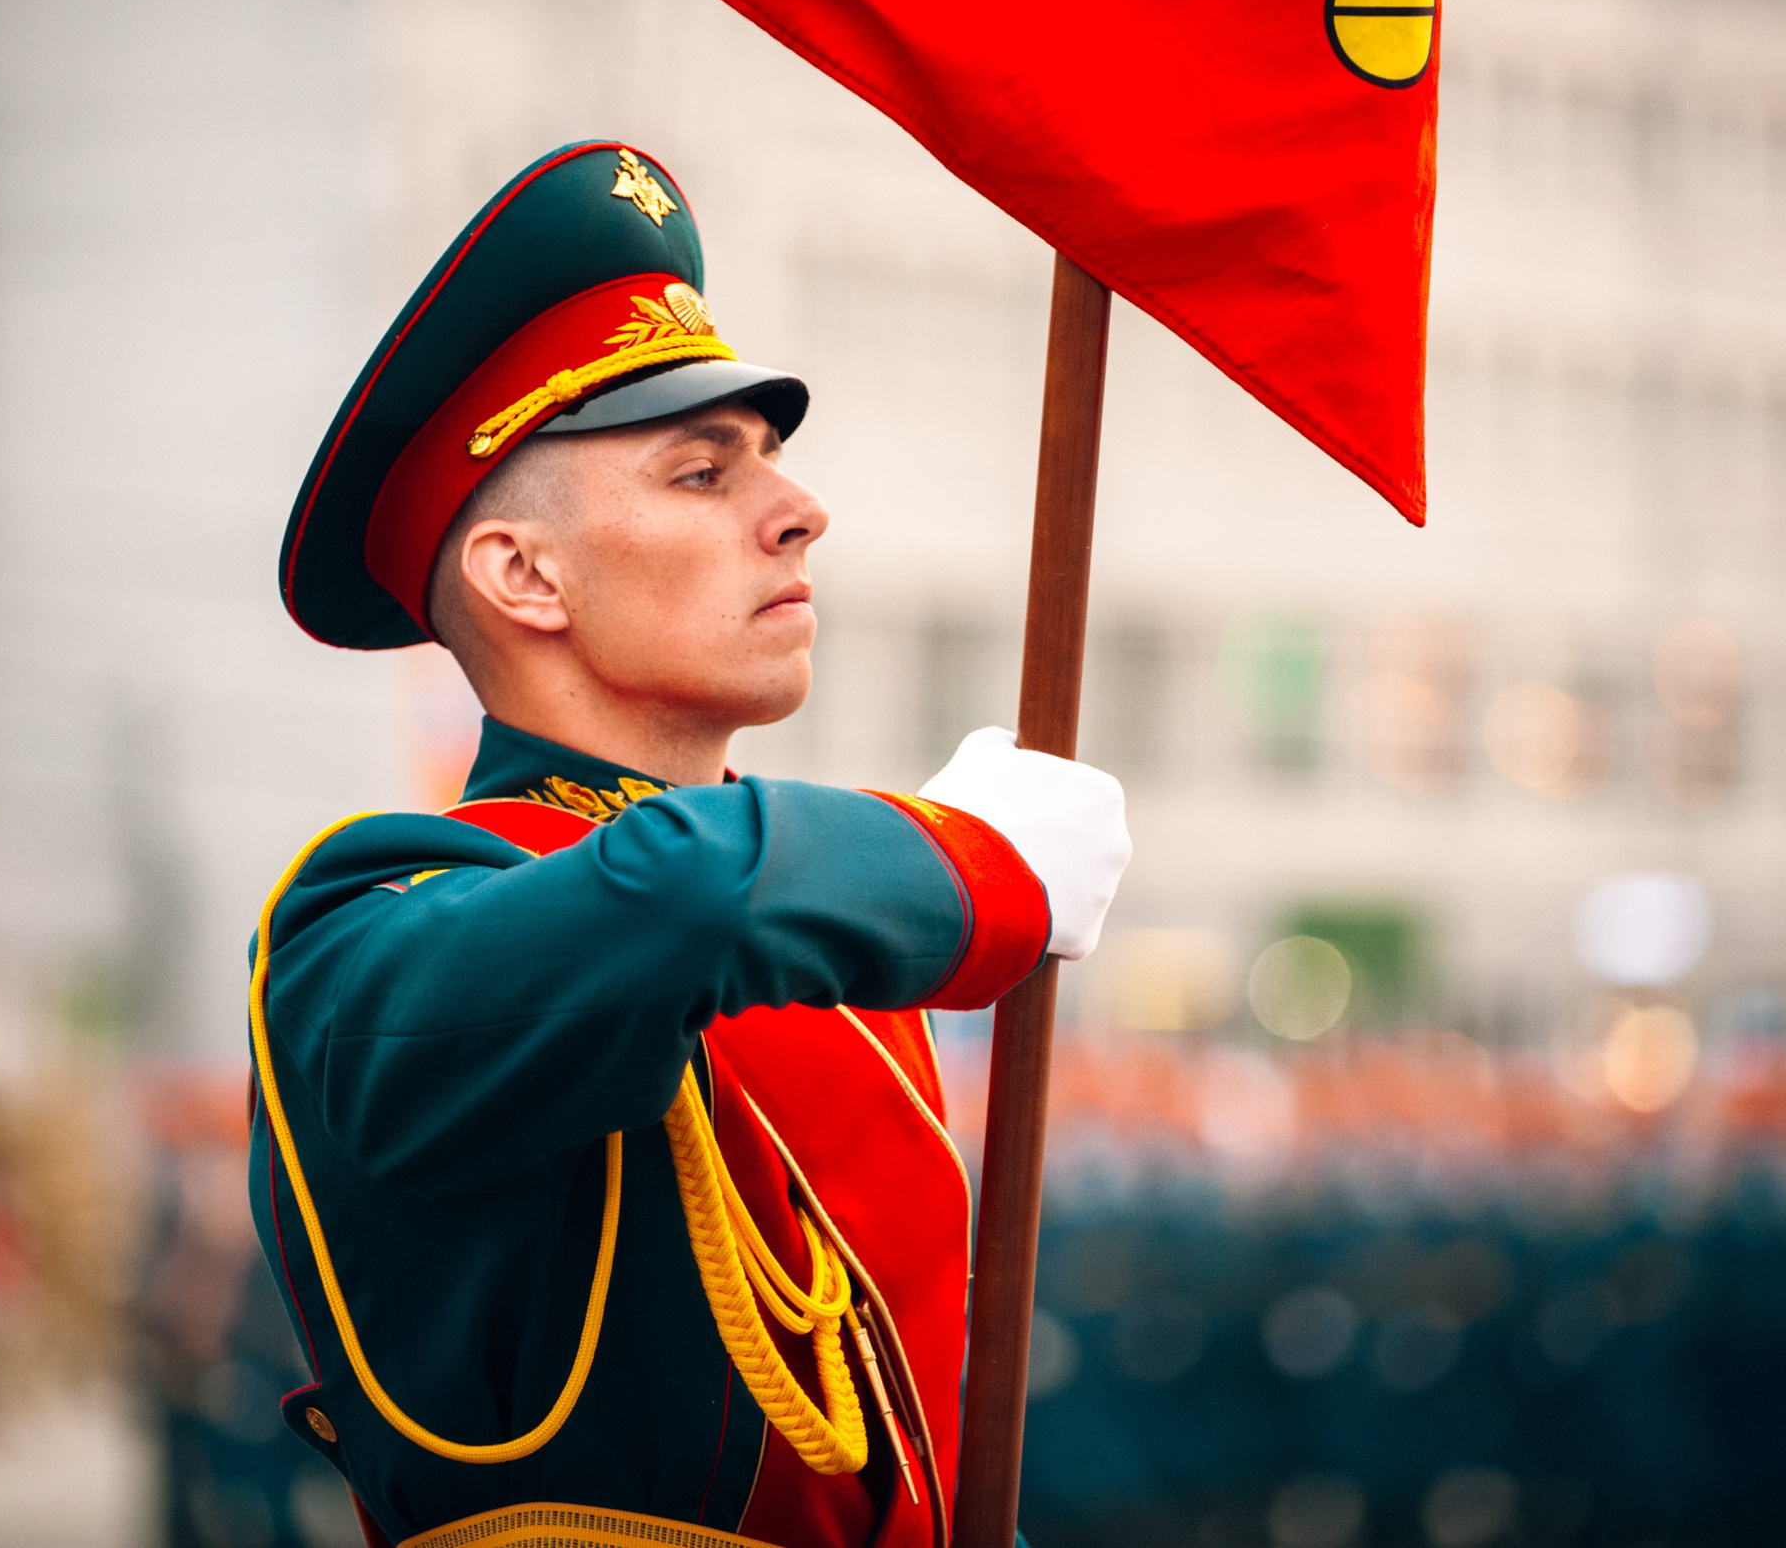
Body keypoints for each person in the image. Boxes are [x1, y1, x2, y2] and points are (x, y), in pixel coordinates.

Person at [251, 142, 1131, 1548]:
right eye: (700, 472)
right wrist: (973, 868)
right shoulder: (366, 922)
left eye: (770, 462)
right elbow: (680, 894)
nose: (797, 510)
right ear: (523, 573)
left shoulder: (804, 939)